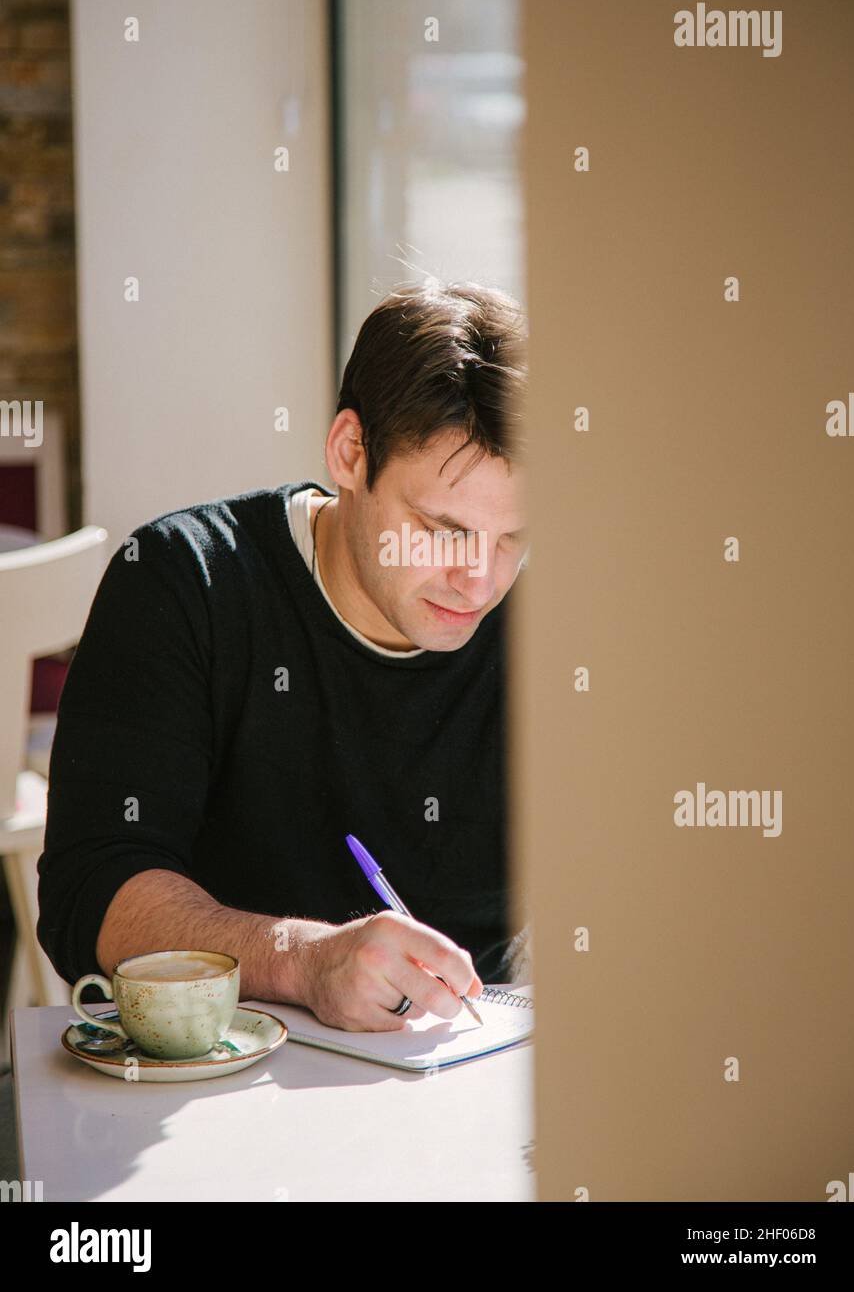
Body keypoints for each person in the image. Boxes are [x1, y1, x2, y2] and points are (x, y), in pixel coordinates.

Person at [37, 279, 530, 1033]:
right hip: (224, 1072)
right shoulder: (185, 580)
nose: (481, 580)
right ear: (349, 453)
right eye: (443, 529)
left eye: (514, 540)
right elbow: (91, 888)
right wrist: (303, 961)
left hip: (474, 1073)